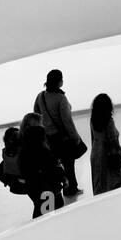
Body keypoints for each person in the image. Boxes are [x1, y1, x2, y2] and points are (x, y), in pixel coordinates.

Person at [33, 69, 86, 198]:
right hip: (61, 138)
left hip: (48, 138)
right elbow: (67, 122)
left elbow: (36, 113)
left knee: (55, 165)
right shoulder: (61, 99)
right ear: (59, 82)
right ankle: (71, 189)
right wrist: (76, 138)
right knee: (68, 165)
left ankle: (57, 190)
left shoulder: (41, 96)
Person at [19, 111, 65, 218]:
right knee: (49, 212)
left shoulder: (23, 143)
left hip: (34, 186)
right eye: (39, 124)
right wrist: (61, 176)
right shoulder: (38, 145)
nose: (42, 126)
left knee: (42, 210)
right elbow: (50, 167)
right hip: (46, 186)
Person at [90, 94, 121, 195]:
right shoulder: (109, 121)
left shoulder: (93, 120)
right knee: (119, 182)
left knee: (100, 186)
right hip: (108, 155)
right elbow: (114, 144)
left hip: (96, 154)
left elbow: (93, 138)